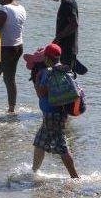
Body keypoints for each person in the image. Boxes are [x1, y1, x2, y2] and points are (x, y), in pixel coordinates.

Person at [31, 43, 79, 178]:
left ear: (46, 58)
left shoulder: (47, 73)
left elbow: (41, 94)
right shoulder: (65, 70)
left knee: (62, 146)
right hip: (60, 113)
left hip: (52, 115)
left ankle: (75, 177)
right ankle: (34, 172)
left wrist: (37, 79)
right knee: (39, 143)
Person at [0, 0, 27, 113]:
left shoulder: (4, 9)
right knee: (10, 79)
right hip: (18, 47)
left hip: (5, 49)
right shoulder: (21, 8)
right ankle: (11, 109)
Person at [45, 0, 79, 70]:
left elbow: (74, 24)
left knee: (67, 78)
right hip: (65, 48)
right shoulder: (68, 1)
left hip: (67, 49)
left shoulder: (67, 3)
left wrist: (58, 38)